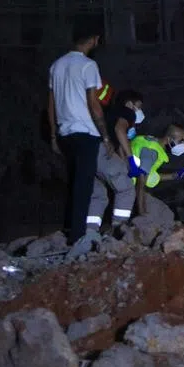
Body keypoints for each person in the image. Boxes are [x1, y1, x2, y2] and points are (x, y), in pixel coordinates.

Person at [48, 27, 113, 246]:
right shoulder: (88, 65)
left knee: (73, 181)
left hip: (65, 132)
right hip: (86, 132)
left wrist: (53, 135)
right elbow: (93, 103)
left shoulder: (56, 65)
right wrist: (105, 136)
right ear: (94, 39)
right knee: (84, 185)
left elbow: (51, 103)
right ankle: (77, 237)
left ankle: (71, 229)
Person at [84, 90, 146, 237]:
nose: (140, 111)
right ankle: (119, 230)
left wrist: (124, 162)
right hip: (102, 149)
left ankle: (90, 233)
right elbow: (119, 130)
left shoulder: (110, 112)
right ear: (129, 103)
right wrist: (131, 160)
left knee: (98, 195)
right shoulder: (127, 112)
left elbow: (119, 146)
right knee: (126, 189)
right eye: (139, 106)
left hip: (86, 151)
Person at [130, 125, 184, 216]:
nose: (182, 145)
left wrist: (175, 175)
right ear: (169, 139)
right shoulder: (152, 150)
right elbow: (141, 178)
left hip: (125, 177)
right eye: (180, 141)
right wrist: (141, 209)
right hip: (126, 182)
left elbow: (149, 174)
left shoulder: (150, 141)